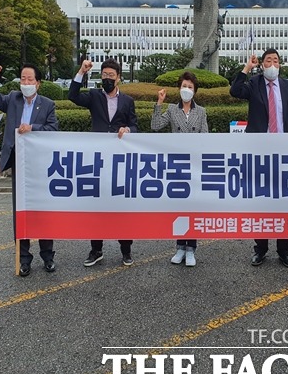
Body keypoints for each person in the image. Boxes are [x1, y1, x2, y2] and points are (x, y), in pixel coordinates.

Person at [0, 63, 58, 277]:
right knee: (21, 211)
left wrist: (33, 128)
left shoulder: (47, 104)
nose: (26, 83)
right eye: (23, 79)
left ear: (38, 83)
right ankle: (23, 259)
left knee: (43, 211)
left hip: (41, 165)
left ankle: (48, 256)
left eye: (30, 80)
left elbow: (53, 128)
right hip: (19, 162)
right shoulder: (12, 99)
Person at [230, 49, 288, 268]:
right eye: (268, 60)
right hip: (259, 152)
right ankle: (260, 249)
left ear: (280, 64)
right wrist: (246, 68)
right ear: (262, 64)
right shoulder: (254, 83)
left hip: (284, 151)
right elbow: (235, 91)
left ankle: (284, 250)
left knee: (284, 202)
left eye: (276, 60)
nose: (272, 64)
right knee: (261, 201)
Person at [69, 58, 138, 267]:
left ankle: (126, 250)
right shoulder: (93, 97)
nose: (107, 79)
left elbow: (135, 126)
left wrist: (128, 130)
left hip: (119, 161)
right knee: (96, 206)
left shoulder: (127, 101)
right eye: (104, 75)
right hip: (97, 160)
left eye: (111, 75)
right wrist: (81, 71)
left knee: (121, 206)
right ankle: (96, 249)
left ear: (119, 78)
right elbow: (73, 96)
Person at [151, 71, 209, 267]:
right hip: (176, 164)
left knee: (193, 207)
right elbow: (155, 126)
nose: (186, 90)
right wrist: (159, 103)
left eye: (190, 87)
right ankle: (179, 247)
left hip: (194, 164)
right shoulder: (172, 110)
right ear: (179, 88)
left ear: (195, 91)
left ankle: (191, 248)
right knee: (179, 206)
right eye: (184, 86)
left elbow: (205, 137)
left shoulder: (201, 111)